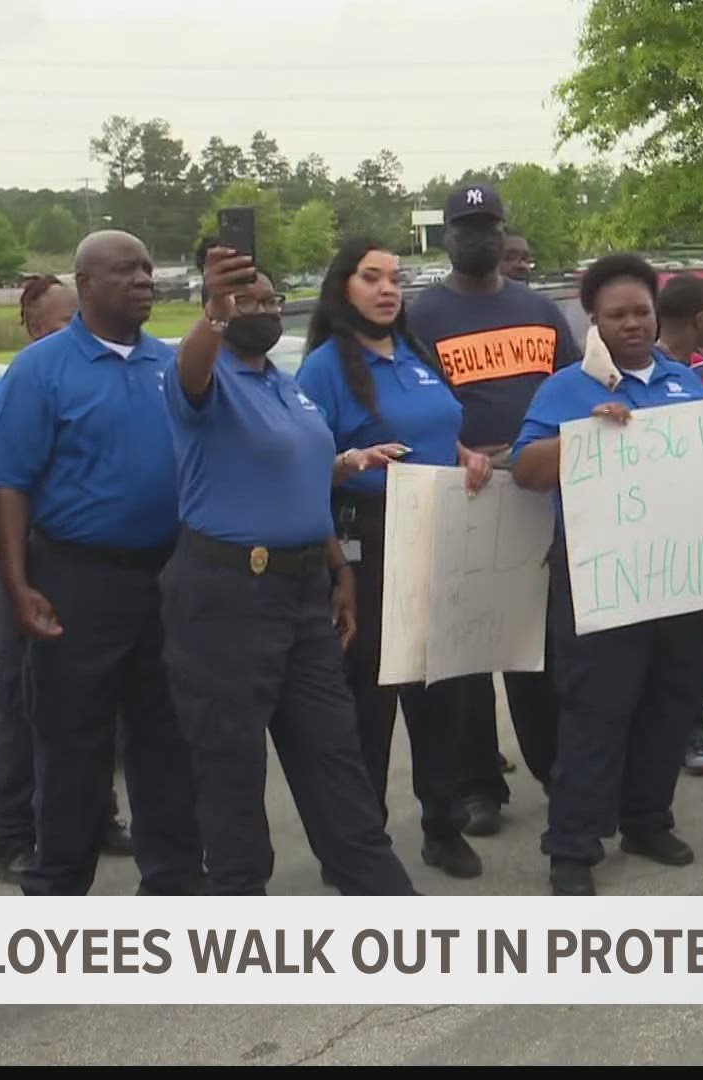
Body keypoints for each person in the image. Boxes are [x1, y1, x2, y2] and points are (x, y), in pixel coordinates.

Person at [158, 243, 417, 896]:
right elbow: (192, 370)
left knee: (332, 749)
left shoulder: (286, 385)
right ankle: (241, 902)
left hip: (304, 587)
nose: (263, 310)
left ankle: (377, 889)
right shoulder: (203, 380)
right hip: (227, 598)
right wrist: (216, 311)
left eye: (272, 300)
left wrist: (339, 565)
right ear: (216, 310)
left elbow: (296, 479)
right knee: (231, 761)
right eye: (248, 301)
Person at [512, 254, 703, 896]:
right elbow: (525, 470)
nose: (631, 324)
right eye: (616, 315)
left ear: (658, 316)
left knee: (671, 704)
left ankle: (648, 819)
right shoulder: (568, 388)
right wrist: (582, 437)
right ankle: (573, 844)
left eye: (641, 313)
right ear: (593, 320)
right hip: (602, 579)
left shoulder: (685, 382)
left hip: (682, 580)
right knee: (597, 711)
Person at [0, 229, 205, 897]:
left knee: (165, 736)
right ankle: (59, 885)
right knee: (73, 744)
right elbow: (11, 485)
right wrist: (19, 585)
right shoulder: (43, 369)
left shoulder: (169, 363)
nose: (145, 279)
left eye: (147, 267)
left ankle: (173, 880)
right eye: (125, 270)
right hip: (76, 577)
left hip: (163, 575)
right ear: (86, 286)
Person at [296, 236, 495, 881]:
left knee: (443, 688)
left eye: (396, 278)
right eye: (371, 278)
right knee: (370, 702)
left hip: (439, 529)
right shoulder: (326, 368)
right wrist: (349, 464)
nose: (388, 290)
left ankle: (444, 824)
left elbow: (436, 426)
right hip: (370, 538)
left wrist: (465, 452)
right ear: (342, 287)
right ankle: (360, 840)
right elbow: (299, 465)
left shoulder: (413, 353)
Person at [406, 182, 582, 837]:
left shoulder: (539, 309)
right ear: (447, 237)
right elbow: (411, 402)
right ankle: (479, 783)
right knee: (469, 650)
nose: (478, 236)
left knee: (537, 647)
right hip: (462, 492)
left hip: (535, 490)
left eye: (488, 224)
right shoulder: (423, 317)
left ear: (504, 230)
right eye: (466, 226)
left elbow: (570, 387)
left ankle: (557, 769)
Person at [0, 276, 134, 886]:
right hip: (37, 565)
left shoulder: (113, 370)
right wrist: (14, 576)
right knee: (25, 704)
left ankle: (98, 816)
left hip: (97, 574)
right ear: (39, 329)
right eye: (65, 319)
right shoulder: (14, 388)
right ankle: (8, 835)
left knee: (97, 709)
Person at [653, 273, 703, 776]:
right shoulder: (643, 372)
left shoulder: (697, 373)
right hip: (652, 533)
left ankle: (693, 715)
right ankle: (673, 723)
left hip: (699, 528)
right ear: (700, 317)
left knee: (700, 631)